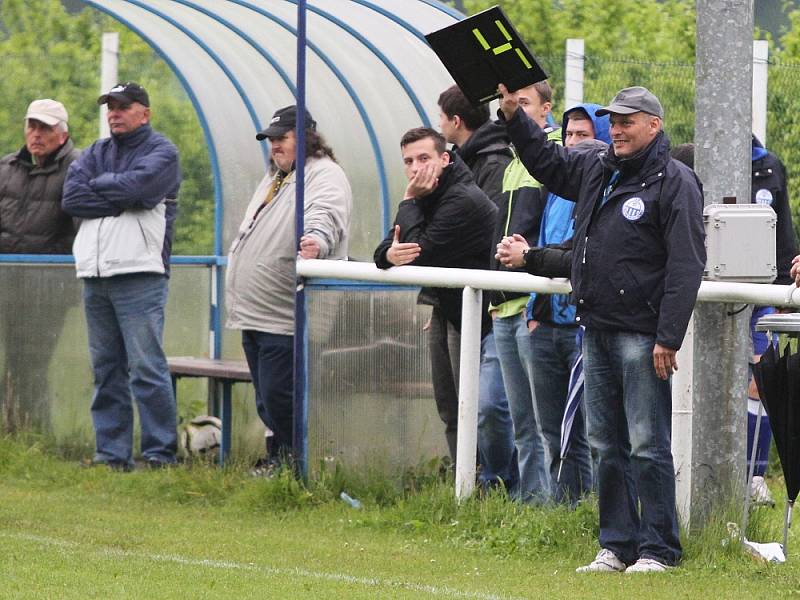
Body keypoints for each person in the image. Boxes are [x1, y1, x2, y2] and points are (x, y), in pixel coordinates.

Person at [498, 84, 705, 572]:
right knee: (604, 444)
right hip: (596, 328)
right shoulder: (598, 168)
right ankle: (616, 545)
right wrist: (514, 118)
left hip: (642, 335)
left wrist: (668, 336)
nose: (617, 129)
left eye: (627, 121)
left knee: (647, 444)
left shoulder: (675, 181)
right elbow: (545, 163)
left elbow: (687, 264)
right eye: (613, 121)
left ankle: (659, 549)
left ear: (654, 125)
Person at [62, 82, 181, 471]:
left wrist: (104, 187)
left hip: (140, 273)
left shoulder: (162, 151)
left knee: (146, 367)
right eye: (110, 107)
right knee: (106, 368)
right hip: (95, 273)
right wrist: (119, 196)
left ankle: (159, 455)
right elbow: (71, 198)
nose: (113, 113)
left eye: (122, 106)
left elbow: (144, 188)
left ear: (144, 112)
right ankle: (111, 455)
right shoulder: (97, 151)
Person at [226, 105, 352, 472]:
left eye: (281, 138)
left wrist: (315, 240)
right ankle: (281, 461)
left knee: (282, 396)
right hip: (258, 312)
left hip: (288, 312)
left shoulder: (323, 174)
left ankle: (300, 467)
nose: (274, 146)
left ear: (307, 138)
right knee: (268, 398)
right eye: (270, 140)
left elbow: (324, 215)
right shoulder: (278, 176)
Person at [497, 108, 611, 504]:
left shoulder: (605, 192)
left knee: (591, 433)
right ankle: (564, 513)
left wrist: (530, 258)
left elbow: (578, 255)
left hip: (585, 328)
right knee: (551, 432)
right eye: (570, 135)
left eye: (584, 135)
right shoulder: (555, 192)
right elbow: (552, 246)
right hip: (545, 325)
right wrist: (534, 312)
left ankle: (592, 513)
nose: (575, 143)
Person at [373, 127, 497, 465]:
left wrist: (409, 201)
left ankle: (484, 483)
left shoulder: (461, 198)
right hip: (446, 307)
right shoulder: (426, 196)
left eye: (424, 158)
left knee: (472, 405)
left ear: (445, 158)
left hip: (476, 312)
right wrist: (388, 256)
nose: (416, 168)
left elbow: (420, 255)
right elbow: (389, 245)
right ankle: (463, 486)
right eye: (409, 161)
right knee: (448, 403)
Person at [438, 85, 516, 491]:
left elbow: (475, 231)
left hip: (484, 303)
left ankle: (495, 482)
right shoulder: (460, 162)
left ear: (454, 121)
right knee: (456, 402)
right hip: (451, 298)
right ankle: (468, 481)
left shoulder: (492, 163)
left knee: (488, 404)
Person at [490, 81, 560, 503]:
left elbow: (553, 231)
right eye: (506, 104)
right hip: (506, 304)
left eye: (522, 103)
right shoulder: (511, 163)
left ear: (546, 109)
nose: (511, 109)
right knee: (521, 421)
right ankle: (532, 506)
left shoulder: (553, 156)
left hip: (537, 303)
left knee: (546, 421)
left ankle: (561, 507)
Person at [0, 99, 79, 432]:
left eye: (45, 128)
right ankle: (10, 431)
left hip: (48, 288)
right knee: (13, 363)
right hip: (6, 282)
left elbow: (81, 231)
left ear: (61, 134)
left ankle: (35, 434)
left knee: (31, 364)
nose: (36, 134)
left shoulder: (78, 167)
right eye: (32, 126)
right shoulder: (6, 167)